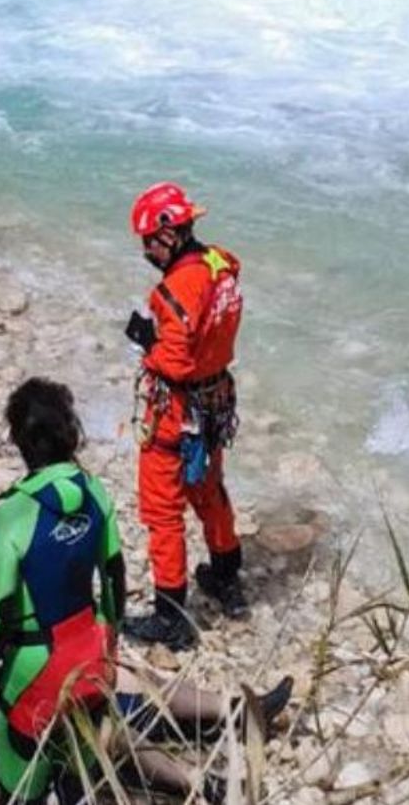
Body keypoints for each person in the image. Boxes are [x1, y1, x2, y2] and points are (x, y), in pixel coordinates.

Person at [0, 378, 126, 804]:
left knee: (22, 788)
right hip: (89, 661)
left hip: (31, 672)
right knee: (77, 782)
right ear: (70, 432)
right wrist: (110, 653)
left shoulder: (12, 515)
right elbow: (114, 583)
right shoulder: (96, 493)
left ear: (20, 441)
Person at [121, 182, 247, 651]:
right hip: (216, 400)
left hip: (178, 409)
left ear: (168, 234)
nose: (146, 251)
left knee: (162, 510)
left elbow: (173, 361)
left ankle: (171, 616)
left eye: (148, 241)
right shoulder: (221, 264)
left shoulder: (175, 289)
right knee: (209, 490)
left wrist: (146, 341)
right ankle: (226, 577)